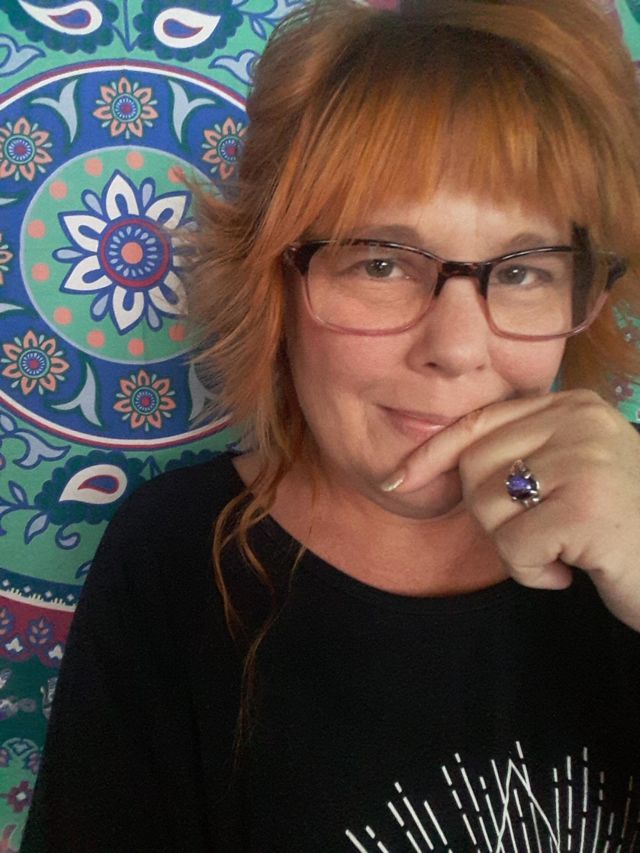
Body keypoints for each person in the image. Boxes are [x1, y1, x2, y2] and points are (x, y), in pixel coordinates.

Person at [21, 0, 640, 850]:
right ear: (274, 281)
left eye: (524, 271)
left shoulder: (628, 529)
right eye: (381, 262)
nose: (458, 349)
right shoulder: (171, 559)